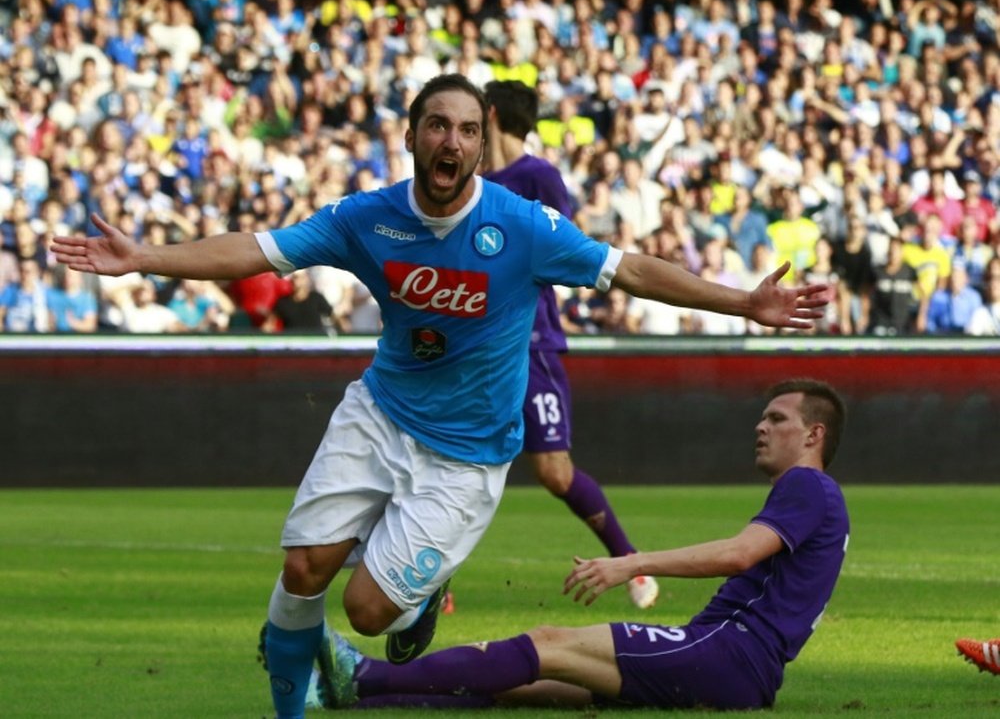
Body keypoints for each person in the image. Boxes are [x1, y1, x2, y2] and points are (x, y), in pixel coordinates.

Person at [52, 74, 825, 719]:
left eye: (465, 130)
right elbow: (258, 250)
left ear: (481, 143)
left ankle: (418, 602)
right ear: (413, 137)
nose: (450, 141)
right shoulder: (369, 217)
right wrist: (144, 257)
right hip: (381, 414)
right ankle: (293, 709)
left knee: (364, 612)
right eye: (435, 126)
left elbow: (631, 269)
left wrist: (742, 304)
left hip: (467, 457)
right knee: (302, 571)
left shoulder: (522, 226)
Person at [308, 378, 850, 712]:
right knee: (534, 682)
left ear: (813, 435)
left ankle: (363, 673)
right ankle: (354, 695)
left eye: (777, 419)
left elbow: (738, 554)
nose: (760, 427)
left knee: (547, 641)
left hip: (727, 654)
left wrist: (629, 564)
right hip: (733, 665)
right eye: (762, 416)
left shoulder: (808, 485)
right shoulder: (817, 496)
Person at [482, 79, 659, 608]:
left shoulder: (536, 176)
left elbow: (569, 249)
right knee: (452, 457)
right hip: (477, 344)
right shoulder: (469, 180)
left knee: (554, 472)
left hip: (531, 341)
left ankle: (630, 563)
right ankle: (424, 585)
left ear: (488, 114)